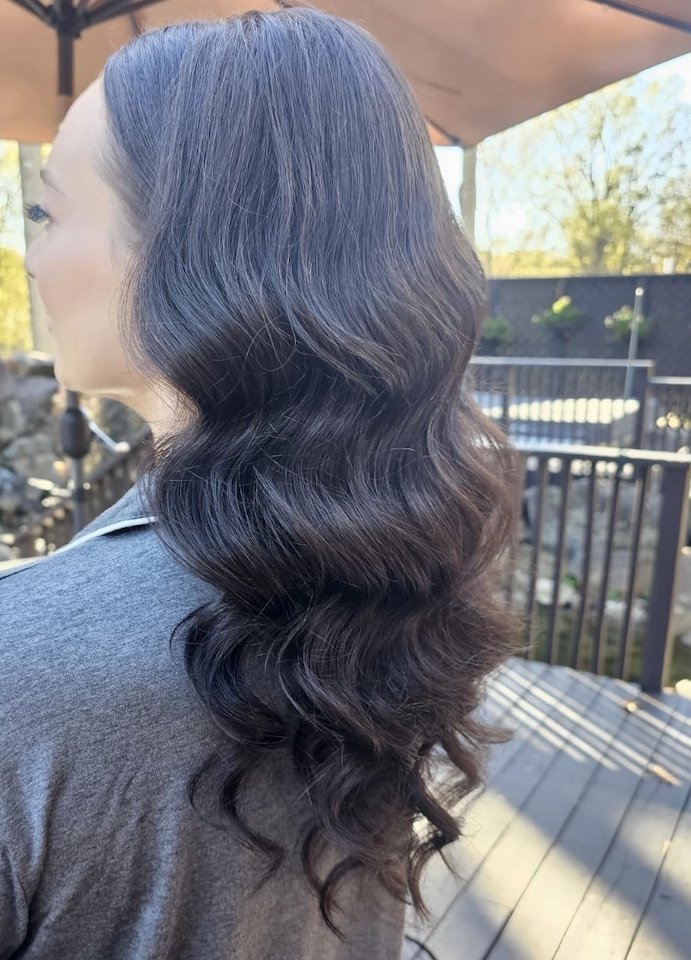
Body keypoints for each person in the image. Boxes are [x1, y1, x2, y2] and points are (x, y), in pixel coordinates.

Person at [3, 8, 519, 959]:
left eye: (46, 210)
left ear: (190, 255)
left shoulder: (18, 665)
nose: (31, 255)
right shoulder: (394, 554)